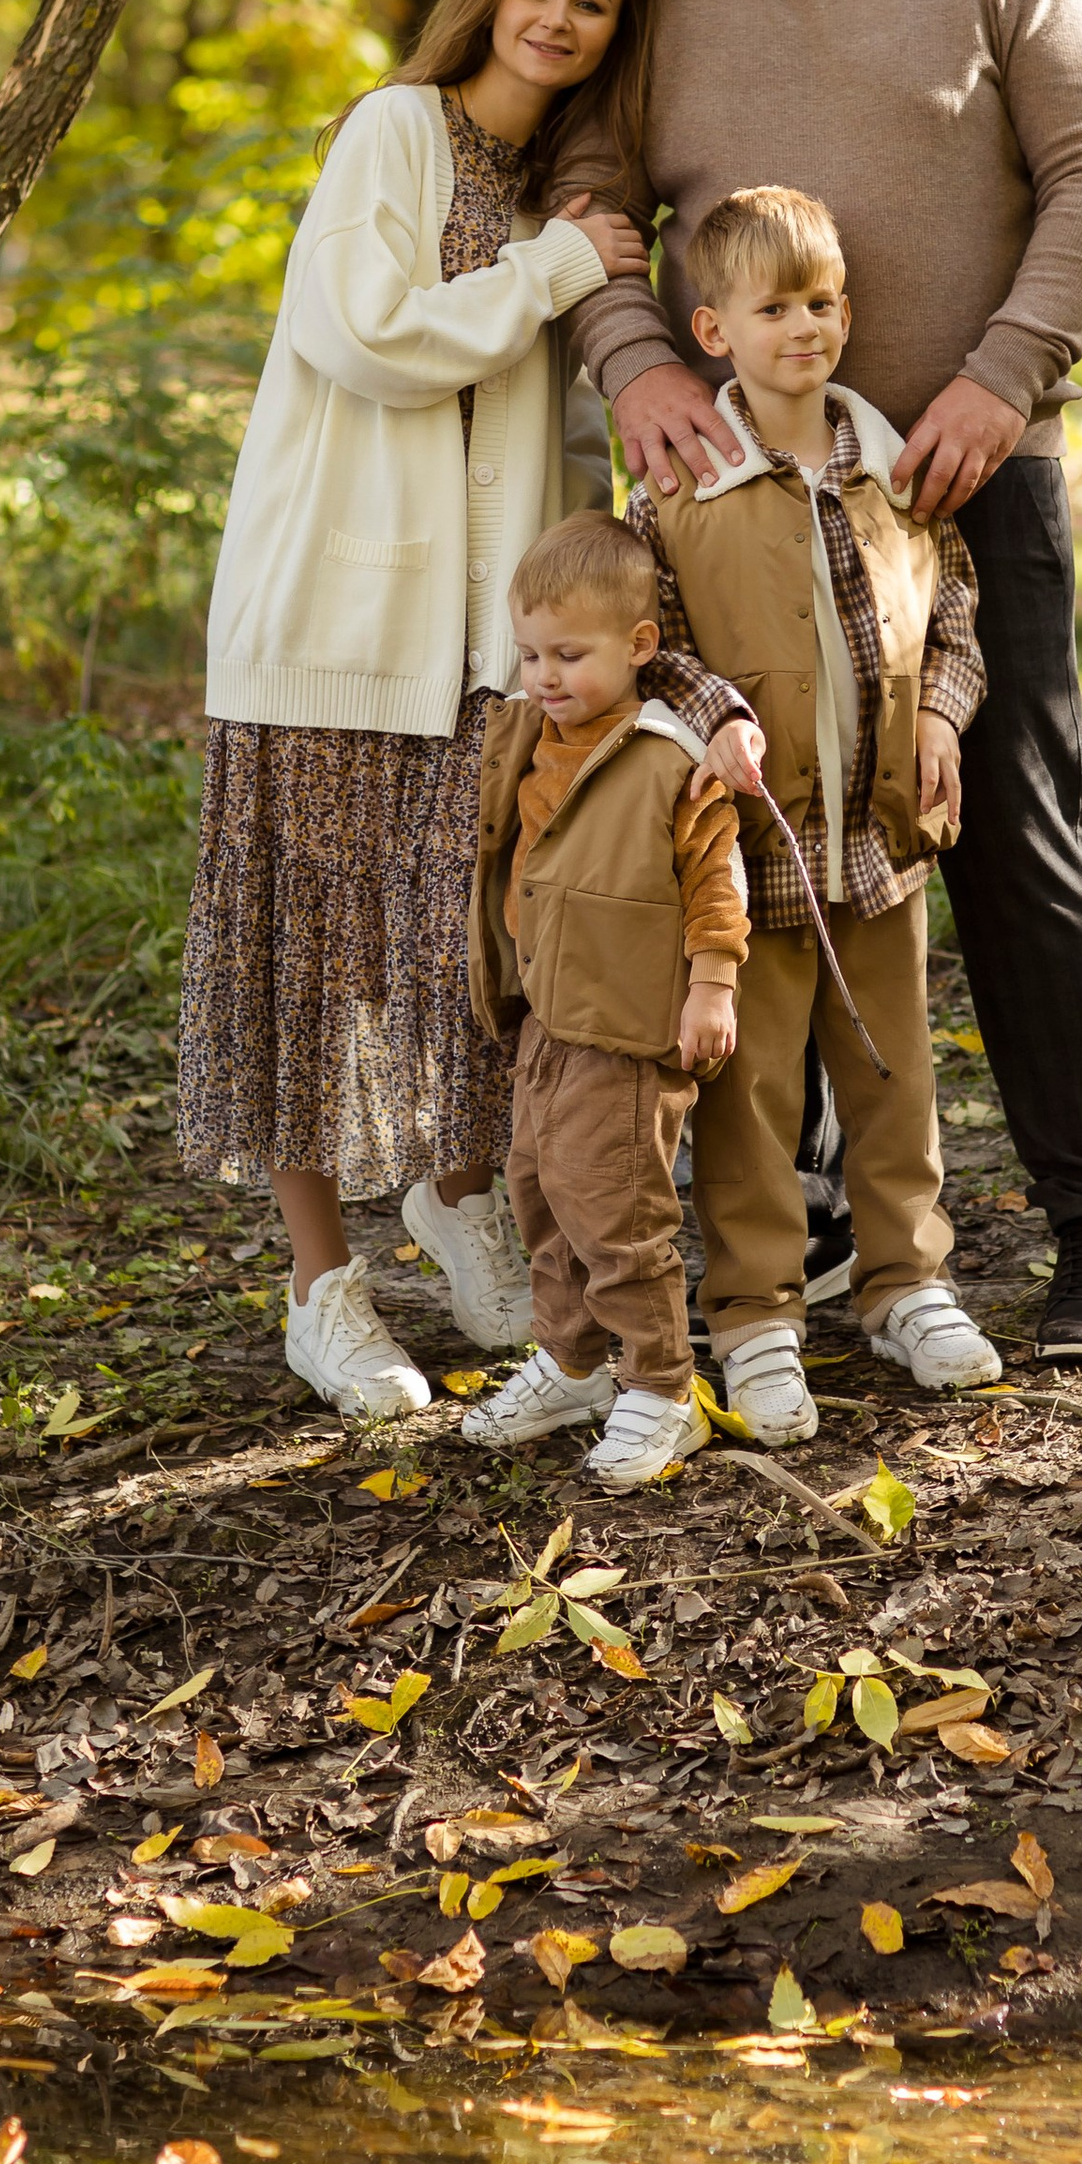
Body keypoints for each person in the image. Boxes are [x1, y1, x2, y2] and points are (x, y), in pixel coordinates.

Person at [560, 0, 1082, 1362]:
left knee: (1006, 832)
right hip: (726, 508)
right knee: (750, 840)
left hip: (960, 488)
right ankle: (816, 1238)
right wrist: (631, 369)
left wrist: (1005, 376)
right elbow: (590, 207)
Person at [176, 0, 661, 1421]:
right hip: (328, 624)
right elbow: (365, 337)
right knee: (309, 975)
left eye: (591, 4)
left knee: (463, 958)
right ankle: (323, 1292)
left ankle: (459, 1203)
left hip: (470, 650)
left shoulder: (548, 197)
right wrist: (555, 274)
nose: (558, 20)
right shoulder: (393, 131)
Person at [625, 184, 1000, 1439]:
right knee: (753, 1094)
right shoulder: (678, 489)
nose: (807, 327)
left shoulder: (894, 472)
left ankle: (906, 1280)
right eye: (774, 306)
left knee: (892, 1076)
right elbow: (653, 645)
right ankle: (755, 1316)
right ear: (713, 330)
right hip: (757, 846)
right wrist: (707, 710)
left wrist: (940, 715)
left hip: (881, 835)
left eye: (824, 302)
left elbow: (952, 615)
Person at [456, 512, 749, 1490]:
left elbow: (717, 881)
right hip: (547, 1008)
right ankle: (574, 1362)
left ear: (638, 648)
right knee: (539, 1192)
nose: (543, 674)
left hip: (629, 1024)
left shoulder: (668, 757)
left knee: (616, 1210)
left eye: (568, 654)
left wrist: (712, 986)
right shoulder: (529, 738)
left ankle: (661, 1388)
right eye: (531, 651)